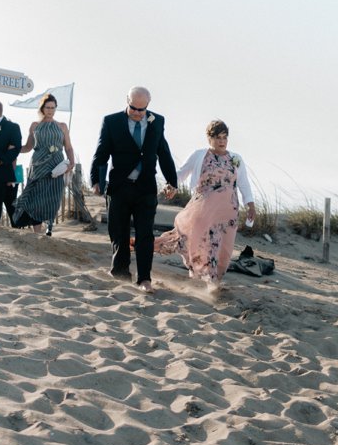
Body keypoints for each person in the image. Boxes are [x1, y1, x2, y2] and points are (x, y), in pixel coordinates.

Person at [91, 86, 177, 293]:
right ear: (126, 101)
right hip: (120, 186)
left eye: (142, 109)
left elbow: (163, 153)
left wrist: (171, 182)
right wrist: (96, 180)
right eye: (133, 108)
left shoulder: (157, 121)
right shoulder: (111, 122)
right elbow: (101, 153)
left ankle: (144, 279)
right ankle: (120, 273)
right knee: (118, 233)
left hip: (146, 187)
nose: (138, 113)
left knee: (145, 234)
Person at [156, 120, 256, 287]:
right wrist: (171, 185)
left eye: (225, 137)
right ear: (209, 138)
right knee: (204, 242)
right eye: (218, 137)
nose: (222, 141)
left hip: (228, 212)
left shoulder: (236, 159)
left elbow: (244, 183)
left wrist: (250, 204)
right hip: (203, 208)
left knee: (223, 247)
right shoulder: (199, 155)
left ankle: (213, 278)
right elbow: (181, 173)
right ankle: (206, 280)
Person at [13, 93, 75, 234]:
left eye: (53, 108)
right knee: (36, 198)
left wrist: (71, 162)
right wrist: (13, 149)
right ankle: (37, 233)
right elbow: (28, 147)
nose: (50, 110)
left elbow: (68, 147)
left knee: (53, 198)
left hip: (56, 166)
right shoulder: (35, 126)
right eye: (47, 107)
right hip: (38, 166)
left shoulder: (62, 126)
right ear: (42, 108)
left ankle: (50, 226)